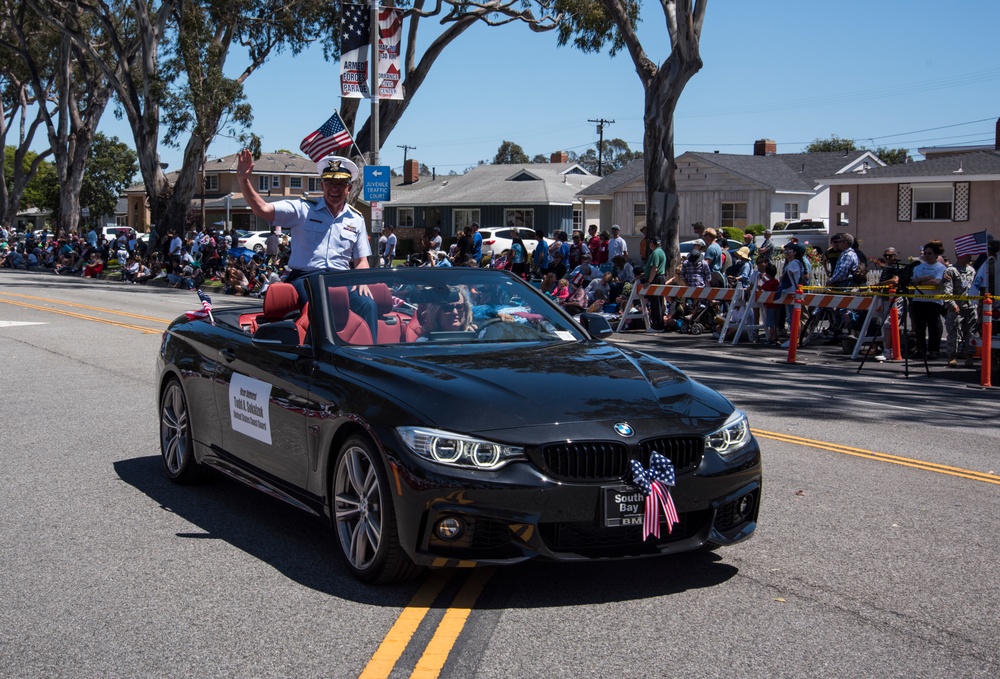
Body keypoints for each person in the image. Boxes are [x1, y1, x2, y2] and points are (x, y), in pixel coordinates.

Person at [236, 150, 378, 340]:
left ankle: (371, 357)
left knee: (368, 305)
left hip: (339, 280)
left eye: (340, 184)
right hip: (307, 277)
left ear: (348, 188)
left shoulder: (356, 218)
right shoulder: (302, 209)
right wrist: (243, 180)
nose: (334, 188)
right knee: (319, 306)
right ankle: (317, 357)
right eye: (329, 183)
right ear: (322, 185)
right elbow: (263, 209)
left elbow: (361, 261)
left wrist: (361, 279)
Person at [909, 241, 947, 359]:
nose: (927, 255)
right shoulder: (918, 268)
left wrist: (919, 281)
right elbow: (912, 281)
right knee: (920, 327)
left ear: (936, 255)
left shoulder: (941, 267)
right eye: (925, 253)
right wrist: (923, 279)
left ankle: (933, 350)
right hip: (918, 300)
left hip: (933, 301)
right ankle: (921, 350)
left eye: (929, 253)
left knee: (933, 327)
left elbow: (937, 282)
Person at [943, 250, 978, 368]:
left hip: (970, 306)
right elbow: (947, 290)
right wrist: (952, 304)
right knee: (953, 332)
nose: (970, 256)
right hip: (956, 307)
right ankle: (952, 356)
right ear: (959, 256)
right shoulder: (951, 270)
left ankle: (969, 356)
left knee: (971, 333)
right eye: (967, 255)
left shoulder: (971, 270)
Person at [642, 236, 668, 331]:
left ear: (652, 243)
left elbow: (654, 268)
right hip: (660, 277)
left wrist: (649, 281)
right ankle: (659, 324)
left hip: (656, 278)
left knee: (656, 302)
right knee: (659, 301)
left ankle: (657, 326)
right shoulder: (661, 251)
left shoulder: (656, 253)